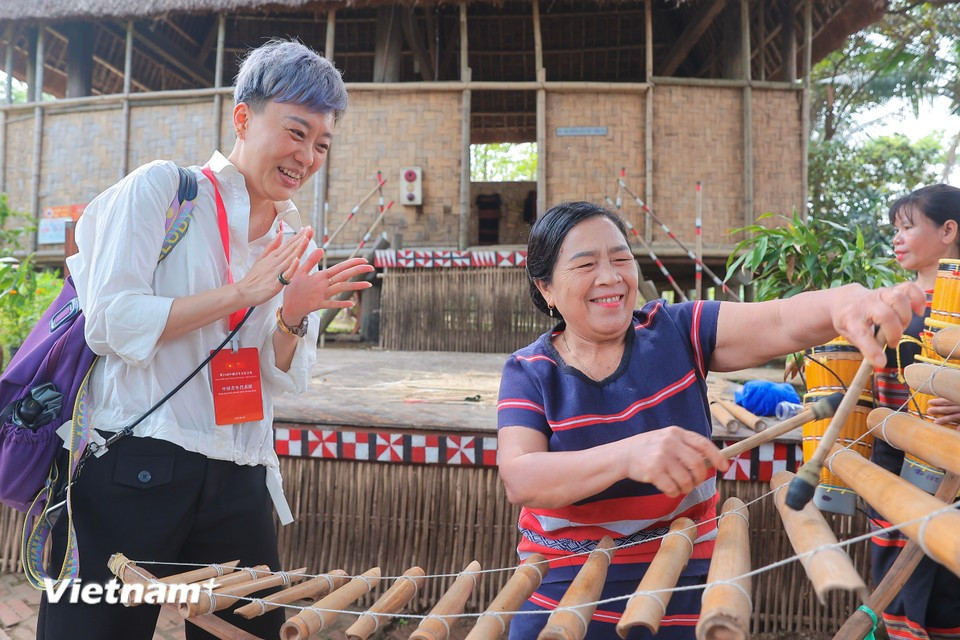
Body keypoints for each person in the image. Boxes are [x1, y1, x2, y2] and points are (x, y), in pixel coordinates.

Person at [37, 40, 374, 640]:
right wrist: (241, 294)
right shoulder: (164, 191)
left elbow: (283, 379)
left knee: (247, 630)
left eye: (322, 143)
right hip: (134, 458)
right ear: (243, 118)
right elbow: (110, 322)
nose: (308, 156)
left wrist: (292, 317)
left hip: (241, 471)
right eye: (296, 132)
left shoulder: (296, 241)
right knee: (91, 632)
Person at [497, 201, 924, 639]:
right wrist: (629, 455)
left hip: (681, 574)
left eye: (621, 258)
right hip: (561, 586)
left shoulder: (678, 330)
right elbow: (522, 477)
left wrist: (847, 302)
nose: (610, 277)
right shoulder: (529, 370)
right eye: (586, 264)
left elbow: (781, 320)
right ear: (546, 288)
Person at [869, 184, 960, 639]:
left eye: (908, 227)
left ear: (949, 230)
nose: (898, 238)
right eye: (895, 230)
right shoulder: (888, 305)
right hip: (892, 461)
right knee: (895, 585)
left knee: (947, 587)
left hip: (953, 469)